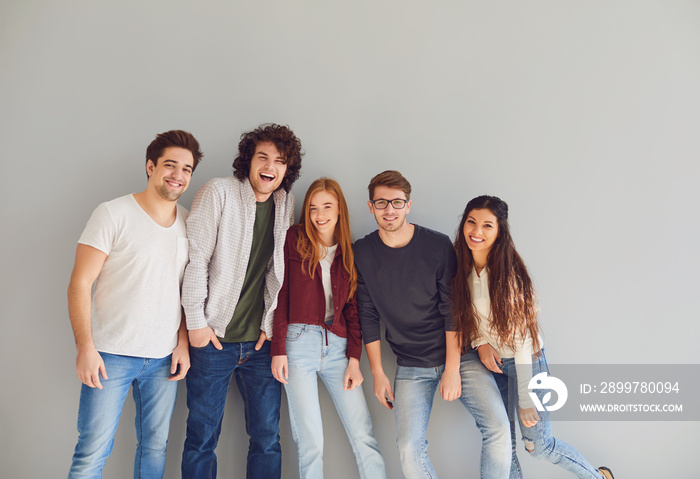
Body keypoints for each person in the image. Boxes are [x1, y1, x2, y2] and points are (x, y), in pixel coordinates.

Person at [353, 170, 512, 479]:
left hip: (461, 357)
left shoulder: (437, 245)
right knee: (408, 448)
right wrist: (378, 373)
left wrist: (452, 369)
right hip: (411, 365)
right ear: (370, 206)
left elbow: (451, 308)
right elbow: (367, 313)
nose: (390, 210)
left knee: (498, 428)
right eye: (382, 203)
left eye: (397, 202)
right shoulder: (361, 252)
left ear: (408, 205)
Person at [66, 130, 203, 478]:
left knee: (154, 450)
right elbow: (80, 284)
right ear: (150, 166)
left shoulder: (190, 223)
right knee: (91, 452)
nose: (178, 175)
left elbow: (187, 291)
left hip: (163, 359)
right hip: (109, 356)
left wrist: (183, 343)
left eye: (186, 169)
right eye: (170, 165)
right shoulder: (113, 213)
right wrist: (86, 348)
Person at [451, 194, 615, 479]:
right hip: (494, 364)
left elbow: (523, 343)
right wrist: (480, 343)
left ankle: (599, 477)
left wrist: (526, 398)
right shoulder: (461, 268)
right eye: (471, 222)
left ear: (500, 231)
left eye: (487, 226)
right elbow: (469, 316)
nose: (477, 232)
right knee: (504, 446)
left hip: (527, 361)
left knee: (538, 446)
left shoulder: (507, 275)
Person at [180, 123, 303, 479]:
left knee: (266, 438)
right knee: (202, 438)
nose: (270, 166)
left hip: (260, 346)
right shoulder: (218, 192)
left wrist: (269, 325)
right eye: (262, 157)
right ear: (248, 161)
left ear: (287, 169)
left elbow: (274, 273)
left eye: (279, 161)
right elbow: (196, 258)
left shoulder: (285, 203)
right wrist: (197, 326)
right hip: (213, 340)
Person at [271, 178, 385, 479]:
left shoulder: (349, 251)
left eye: (327, 207)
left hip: (337, 347)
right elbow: (280, 294)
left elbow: (352, 309)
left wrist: (353, 359)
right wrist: (279, 349)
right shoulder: (293, 239)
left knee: (363, 435)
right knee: (311, 442)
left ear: (339, 210)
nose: (319, 215)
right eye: (312, 208)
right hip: (298, 345)